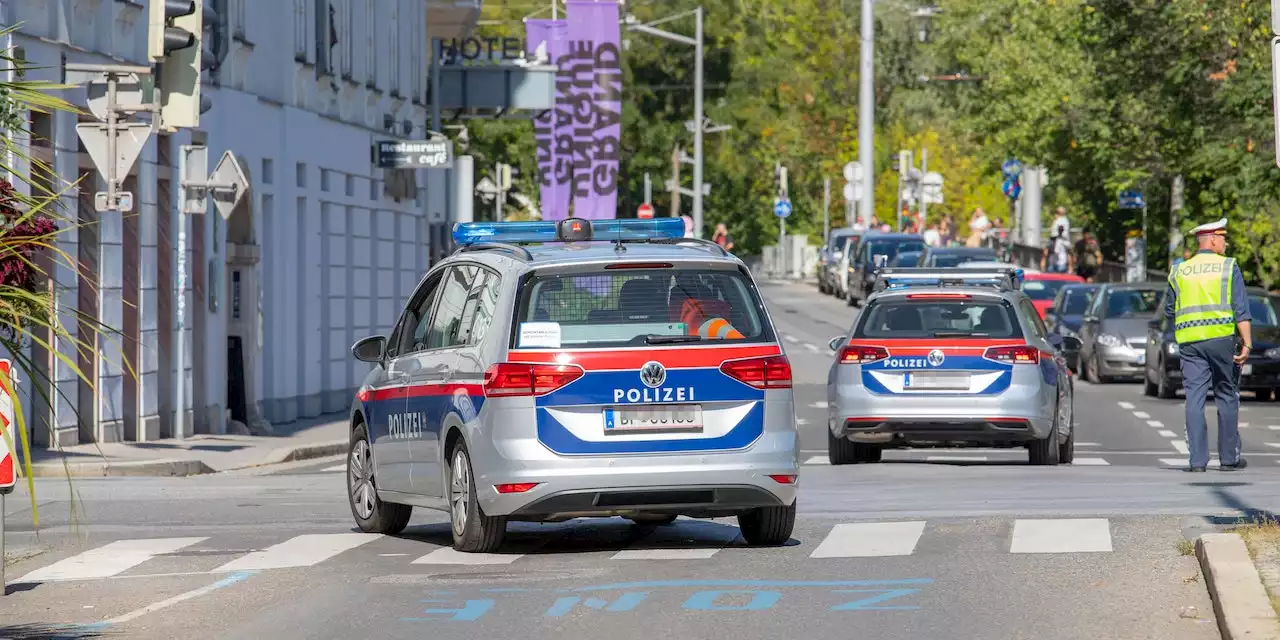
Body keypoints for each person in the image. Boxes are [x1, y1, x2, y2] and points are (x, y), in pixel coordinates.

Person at [1164, 218, 1251, 472]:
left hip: (1190, 343)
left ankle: (1197, 461)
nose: (1225, 242)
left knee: (1194, 398)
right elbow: (1241, 309)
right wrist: (1247, 342)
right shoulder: (1228, 267)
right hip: (1222, 340)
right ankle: (1228, 458)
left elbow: (1170, 310)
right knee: (1226, 395)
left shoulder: (1179, 270)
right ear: (1212, 239)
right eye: (1223, 237)